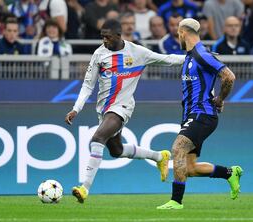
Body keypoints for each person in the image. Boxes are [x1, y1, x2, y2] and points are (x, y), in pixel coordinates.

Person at [64, 19, 186, 203]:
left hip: (123, 107)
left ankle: (84, 188)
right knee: (116, 150)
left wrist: (197, 57)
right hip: (104, 109)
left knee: (97, 139)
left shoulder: (137, 52)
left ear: (119, 36)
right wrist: (76, 109)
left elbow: (167, 59)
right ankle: (159, 157)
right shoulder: (99, 54)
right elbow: (88, 85)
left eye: (108, 37)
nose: (104, 40)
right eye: (102, 37)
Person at [157, 18, 243, 210]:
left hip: (201, 115)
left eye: (178, 33)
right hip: (191, 115)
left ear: (182, 33)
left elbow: (228, 76)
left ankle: (176, 202)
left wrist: (220, 99)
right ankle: (230, 172)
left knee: (178, 149)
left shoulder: (201, 54)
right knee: (189, 168)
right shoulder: (190, 56)